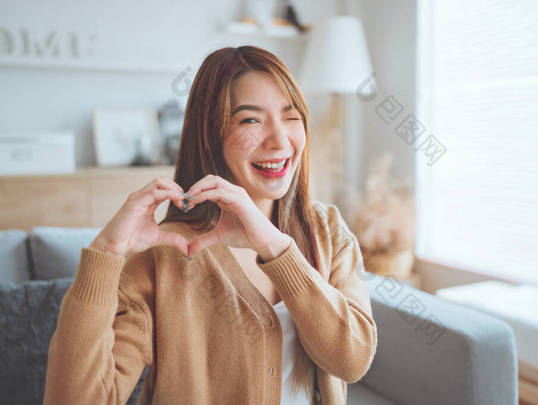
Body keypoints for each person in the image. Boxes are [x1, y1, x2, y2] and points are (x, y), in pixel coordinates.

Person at [43, 45, 377, 405]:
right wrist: (104, 253)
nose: (279, 140)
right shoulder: (165, 254)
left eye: (290, 116)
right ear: (211, 134)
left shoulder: (326, 230)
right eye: (250, 120)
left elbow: (352, 360)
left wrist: (274, 247)